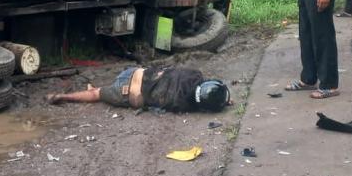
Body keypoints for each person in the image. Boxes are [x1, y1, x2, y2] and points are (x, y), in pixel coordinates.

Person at [48, 65, 229, 113]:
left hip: (135, 72)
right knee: (97, 95)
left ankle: (94, 88)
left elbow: (209, 83)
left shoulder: (194, 74)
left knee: (100, 90)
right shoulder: (182, 104)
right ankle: (63, 96)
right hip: (127, 93)